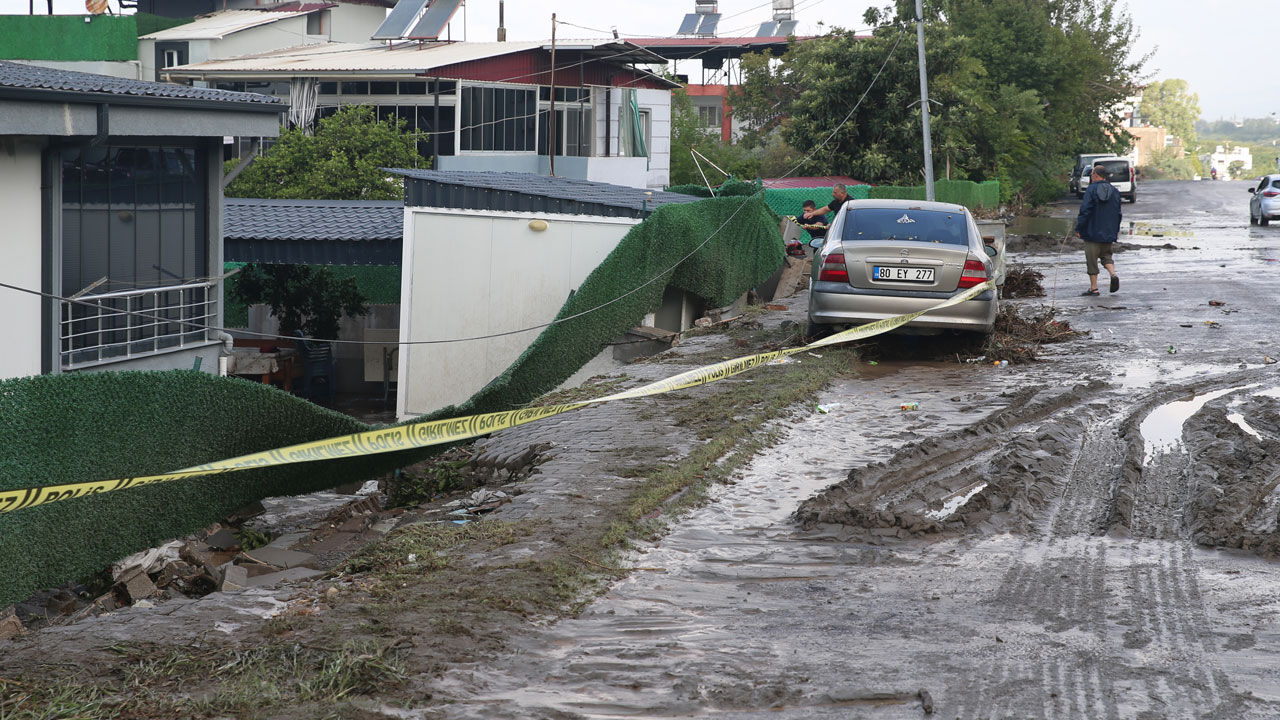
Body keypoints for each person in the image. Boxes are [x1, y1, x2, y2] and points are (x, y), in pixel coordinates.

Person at [1075, 162, 1122, 295]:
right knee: (1106, 255)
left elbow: (1085, 210)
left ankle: (1094, 288)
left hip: (1092, 231)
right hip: (1108, 232)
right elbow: (1118, 213)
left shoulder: (1091, 190)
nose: (1091, 177)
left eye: (1092, 174)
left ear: (1096, 175)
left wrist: (1079, 228)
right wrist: (1115, 231)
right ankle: (1112, 274)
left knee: (1092, 259)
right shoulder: (1114, 191)